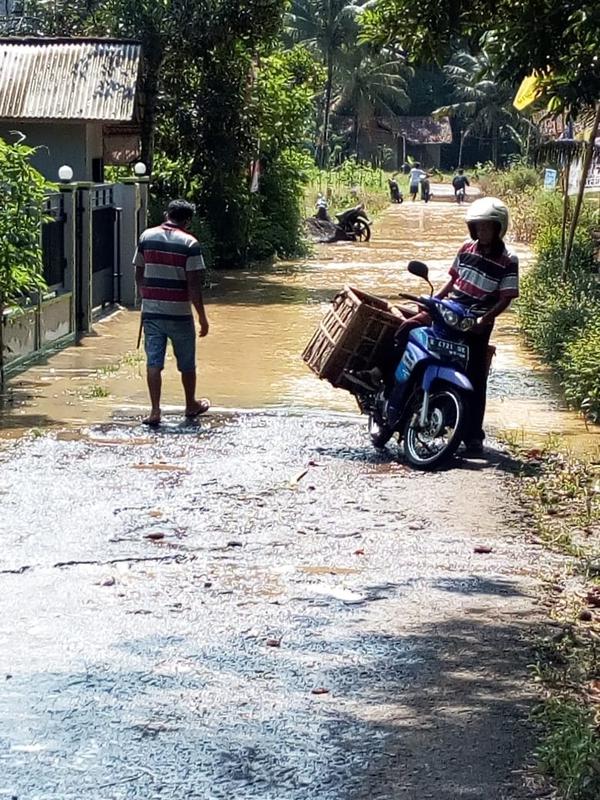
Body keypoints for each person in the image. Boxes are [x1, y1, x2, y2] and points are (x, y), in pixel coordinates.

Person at [347, 197, 518, 457]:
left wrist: (484, 319)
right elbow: (451, 282)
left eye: (487, 227)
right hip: (449, 310)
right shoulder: (466, 249)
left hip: (475, 324)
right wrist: (433, 303)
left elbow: (506, 297)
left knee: (476, 378)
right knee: (405, 329)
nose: (482, 232)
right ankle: (381, 375)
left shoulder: (508, 260)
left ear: (498, 228)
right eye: (478, 227)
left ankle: (473, 436)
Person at [134, 199, 210, 427]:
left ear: (167, 214)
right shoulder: (190, 243)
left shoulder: (146, 237)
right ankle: (190, 405)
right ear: (187, 220)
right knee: (186, 363)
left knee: (154, 361)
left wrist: (146, 297)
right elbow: (194, 287)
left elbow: (138, 272)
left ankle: (155, 411)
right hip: (179, 314)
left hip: (152, 313)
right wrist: (202, 318)